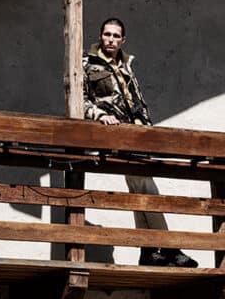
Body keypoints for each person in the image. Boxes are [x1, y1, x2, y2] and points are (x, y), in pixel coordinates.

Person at [83, 18, 197, 268]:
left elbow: (137, 101)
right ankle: (170, 248)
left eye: (115, 36)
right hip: (114, 135)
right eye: (106, 34)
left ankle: (148, 251)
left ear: (123, 40)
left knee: (139, 191)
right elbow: (81, 100)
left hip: (138, 136)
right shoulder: (87, 64)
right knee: (147, 189)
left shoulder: (126, 65)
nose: (110, 39)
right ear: (100, 36)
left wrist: (148, 129)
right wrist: (100, 115)